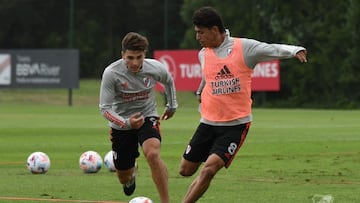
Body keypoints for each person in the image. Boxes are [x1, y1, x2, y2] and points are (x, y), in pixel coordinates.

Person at [178, 6, 307, 203]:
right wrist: (199, 92)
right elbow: (207, 78)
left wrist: (294, 50)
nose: (198, 37)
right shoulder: (203, 54)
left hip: (235, 126)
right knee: (185, 170)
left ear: (214, 30)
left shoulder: (243, 48)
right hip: (208, 123)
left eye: (200, 32)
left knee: (209, 170)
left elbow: (270, 48)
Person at [99, 32, 178, 203]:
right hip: (121, 125)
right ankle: (131, 172)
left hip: (147, 117)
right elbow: (105, 109)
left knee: (153, 155)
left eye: (139, 57)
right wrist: (127, 123)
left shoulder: (155, 68)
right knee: (123, 178)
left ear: (145, 54)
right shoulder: (111, 73)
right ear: (122, 55)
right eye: (130, 58)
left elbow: (169, 80)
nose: (135, 63)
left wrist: (172, 105)